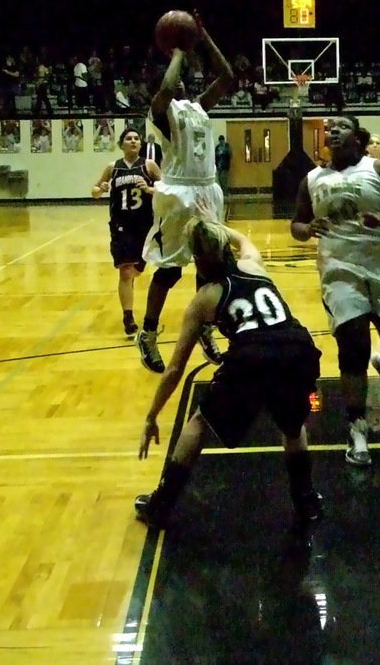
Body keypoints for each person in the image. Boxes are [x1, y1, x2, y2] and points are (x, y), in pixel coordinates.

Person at [135, 218, 323, 528]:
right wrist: (215, 223)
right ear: (225, 246)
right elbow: (242, 241)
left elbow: (174, 370)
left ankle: (161, 506)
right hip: (297, 347)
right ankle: (307, 502)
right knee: (293, 426)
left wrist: (151, 416)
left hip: (253, 356)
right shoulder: (254, 265)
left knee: (199, 421)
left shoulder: (204, 298)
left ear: (196, 259)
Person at [291, 115, 380, 467]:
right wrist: (308, 228)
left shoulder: (378, 169)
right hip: (338, 269)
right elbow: (296, 225)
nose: (332, 130)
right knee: (353, 345)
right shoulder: (312, 179)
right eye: (329, 127)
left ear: (357, 137)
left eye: (341, 126)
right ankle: (357, 427)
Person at [136, 14, 235, 373]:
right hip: (177, 193)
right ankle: (147, 334)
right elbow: (164, 90)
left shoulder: (197, 108)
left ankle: (207, 329)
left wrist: (204, 37)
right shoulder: (159, 111)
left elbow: (228, 78)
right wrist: (177, 50)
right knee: (169, 272)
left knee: (211, 267)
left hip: (208, 190)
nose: (179, 82)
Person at [92, 128, 160, 336]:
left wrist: (150, 189)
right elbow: (94, 192)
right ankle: (128, 317)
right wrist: (101, 189)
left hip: (145, 226)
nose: (133, 141)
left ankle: (131, 291)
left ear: (140, 144)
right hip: (121, 226)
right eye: (129, 139)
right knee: (125, 271)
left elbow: (166, 188)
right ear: (121, 144)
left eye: (136, 139)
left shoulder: (148, 166)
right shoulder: (113, 168)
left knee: (136, 271)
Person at [214, 134, 232, 199]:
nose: (221, 142)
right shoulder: (217, 147)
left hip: (225, 166)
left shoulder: (227, 147)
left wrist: (223, 153)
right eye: (220, 141)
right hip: (219, 166)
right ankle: (222, 193)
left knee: (224, 180)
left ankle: (225, 193)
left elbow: (230, 154)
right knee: (220, 181)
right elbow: (215, 156)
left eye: (222, 141)